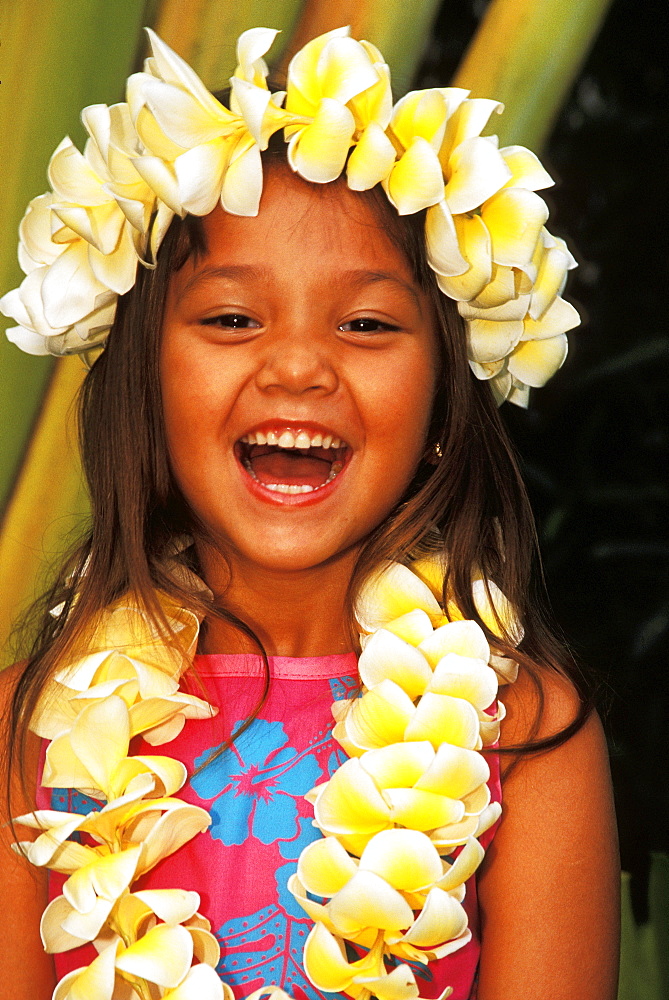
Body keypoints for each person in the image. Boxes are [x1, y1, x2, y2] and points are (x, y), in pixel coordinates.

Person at [0, 25, 619, 1000]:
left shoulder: (527, 733)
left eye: (367, 323)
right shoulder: (30, 729)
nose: (296, 365)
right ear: (146, 379)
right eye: (232, 318)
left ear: (446, 398)